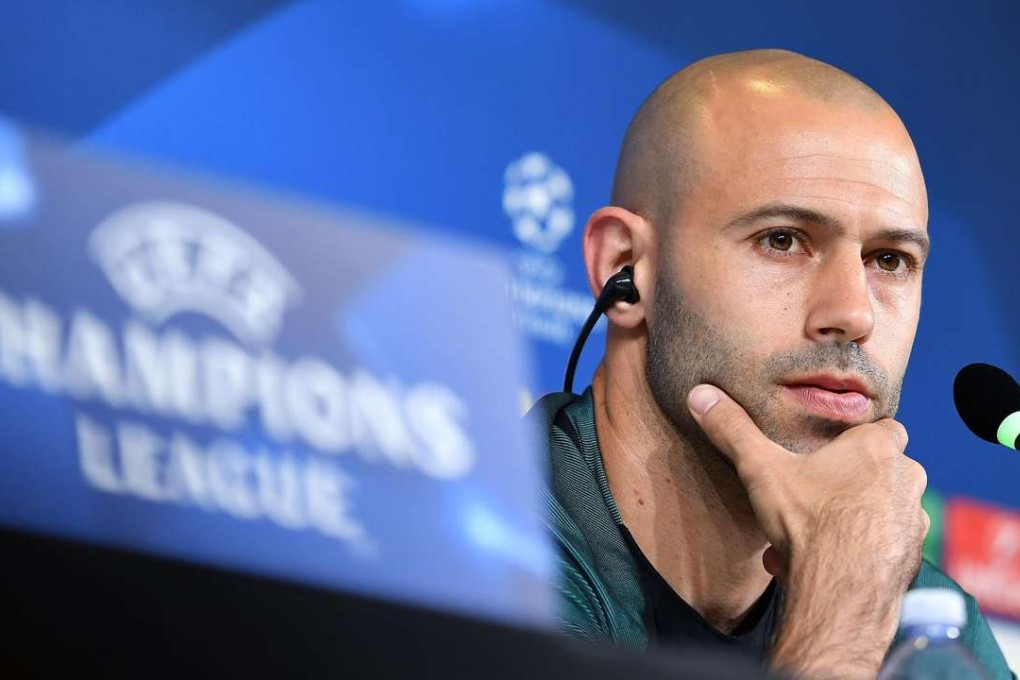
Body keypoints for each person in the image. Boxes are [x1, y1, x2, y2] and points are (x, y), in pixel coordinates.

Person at [528, 49, 1014, 679]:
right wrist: (841, 614)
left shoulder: (927, 621)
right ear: (625, 268)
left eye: (889, 260)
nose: (854, 315)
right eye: (782, 240)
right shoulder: (476, 543)